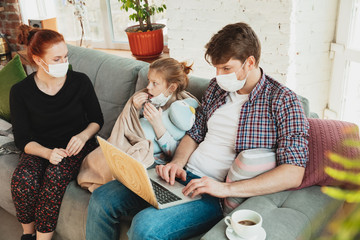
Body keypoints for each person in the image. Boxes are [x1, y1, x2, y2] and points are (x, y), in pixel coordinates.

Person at [86, 22, 309, 240]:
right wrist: (176, 164)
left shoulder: (283, 101)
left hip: (211, 195)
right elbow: (195, 134)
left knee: (145, 227)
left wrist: (223, 189)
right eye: (216, 68)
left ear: (249, 62)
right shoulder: (216, 88)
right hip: (181, 176)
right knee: (102, 198)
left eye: (226, 68)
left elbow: (293, 173)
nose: (219, 75)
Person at [10, 25, 104, 240]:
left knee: (55, 175)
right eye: (56, 59)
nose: (64, 63)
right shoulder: (20, 92)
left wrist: (82, 136)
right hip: (39, 146)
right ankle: (28, 235)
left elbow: (97, 120)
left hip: (76, 146)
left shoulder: (80, 81)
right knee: (23, 179)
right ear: (37, 59)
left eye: (65, 57)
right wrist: (47, 153)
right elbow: (22, 139)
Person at [77, 57, 197, 192]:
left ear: (172, 87)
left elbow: (175, 153)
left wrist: (158, 126)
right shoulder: (150, 99)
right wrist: (135, 108)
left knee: (114, 167)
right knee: (96, 159)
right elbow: (128, 126)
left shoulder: (180, 114)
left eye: (155, 83)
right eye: (148, 81)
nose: (148, 87)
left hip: (150, 159)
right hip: (128, 143)